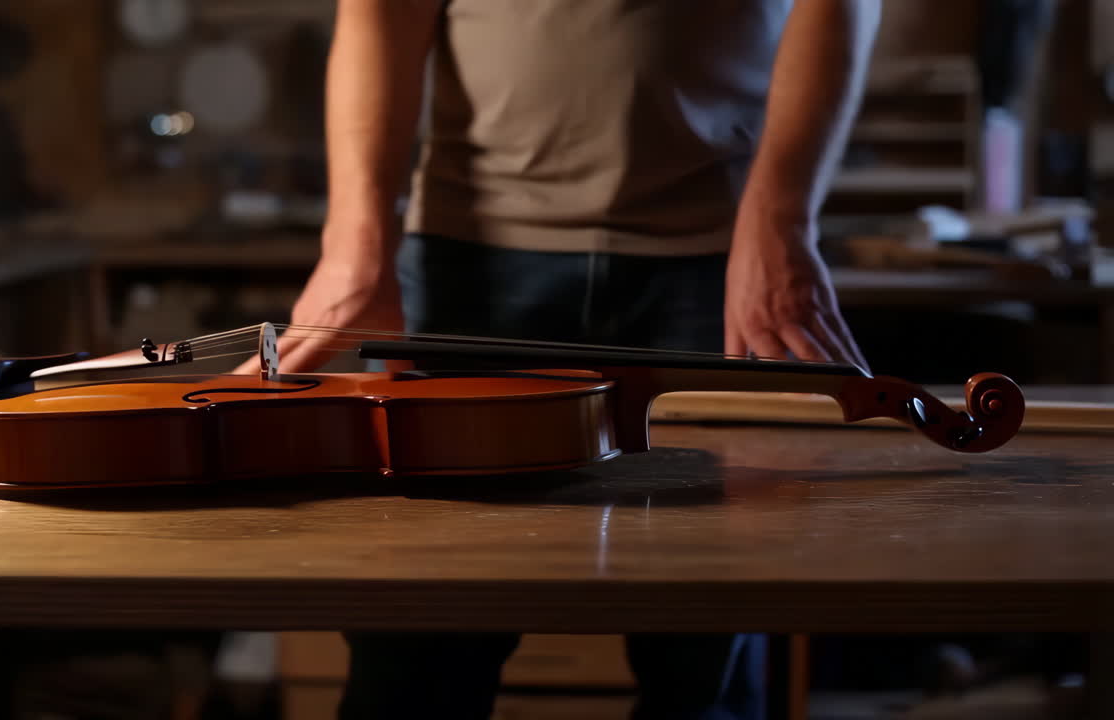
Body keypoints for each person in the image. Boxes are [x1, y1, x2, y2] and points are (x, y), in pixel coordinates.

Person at [238, 1, 879, 717]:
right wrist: (354, 251)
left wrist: (782, 219)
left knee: (708, 665)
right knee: (416, 654)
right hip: (471, 264)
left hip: (717, 265)